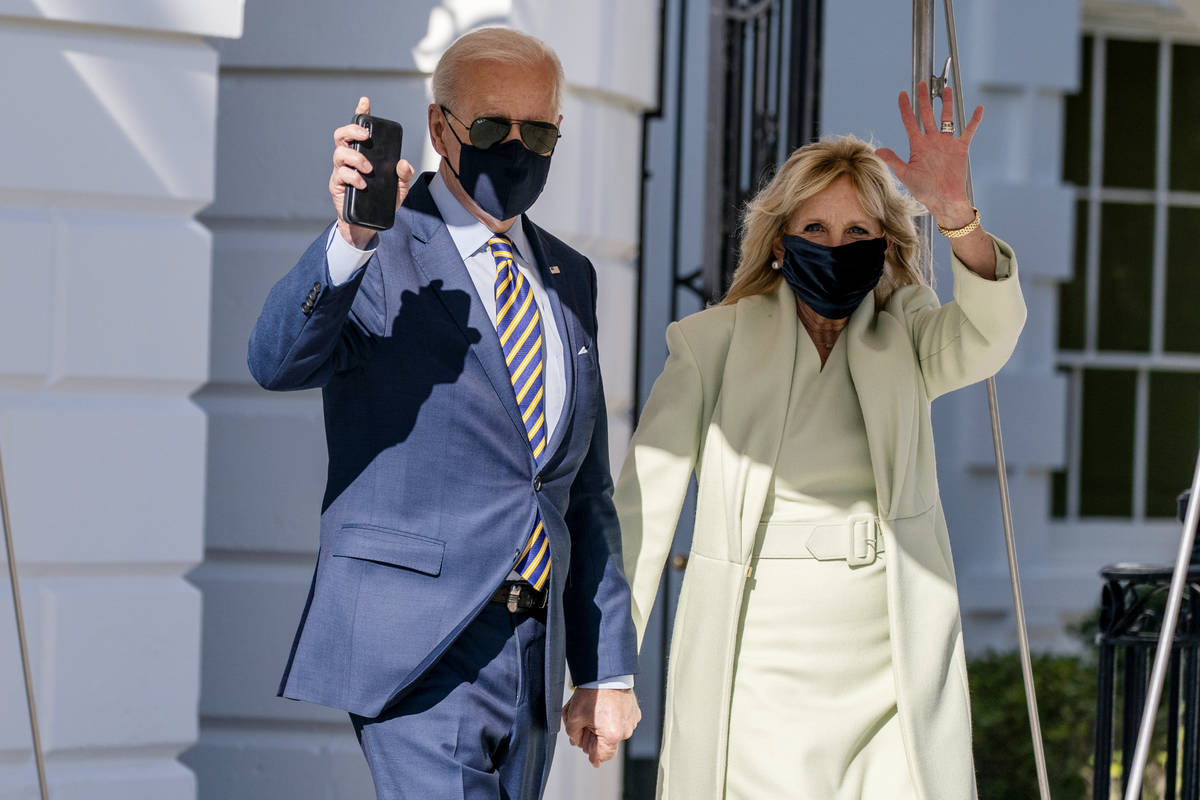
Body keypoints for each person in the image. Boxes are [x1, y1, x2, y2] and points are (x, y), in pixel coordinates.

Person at [247, 26, 640, 800]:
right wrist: (351, 239)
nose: (517, 149)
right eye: (493, 128)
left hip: (533, 645)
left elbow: (580, 494)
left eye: (540, 131)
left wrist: (605, 667)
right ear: (440, 129)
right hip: (421, 643)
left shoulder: (570, 274)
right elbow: (276, 360)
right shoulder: (382, 252)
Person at [614, 83, 1026, 799]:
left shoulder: (909, 332)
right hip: (756, 660)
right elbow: (642, 512)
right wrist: (607, 670)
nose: (838, 248)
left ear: (886, 245)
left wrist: (956, 215)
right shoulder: (711, 343)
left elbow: (990, 337)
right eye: (817, 231)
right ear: (780, 244)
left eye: (859, 233)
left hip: (888, 656)